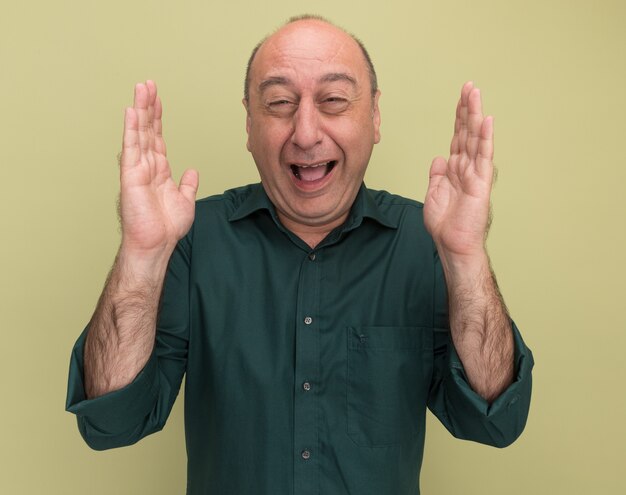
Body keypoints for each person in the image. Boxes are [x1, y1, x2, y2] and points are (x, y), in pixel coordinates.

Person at [66, 15, 533, 495]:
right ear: (249, 125)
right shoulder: (190, 238)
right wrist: (142, 255)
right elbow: (110, 422)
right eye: (280, 104)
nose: (306, 133)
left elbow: (495, 420)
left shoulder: (426, 242)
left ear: (374, 117)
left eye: (333, 100)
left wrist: (465, 257)